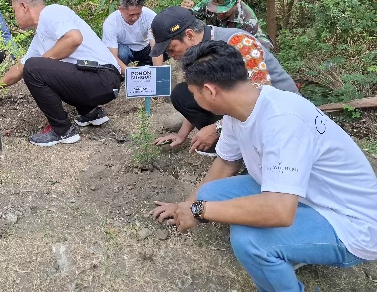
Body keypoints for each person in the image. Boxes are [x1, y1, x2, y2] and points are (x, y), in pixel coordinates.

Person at [151, 40, 377, 291]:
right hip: (304, 197)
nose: (192, 97)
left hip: (351, 223)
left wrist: (198, 211)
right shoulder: (241, 109)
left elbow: (279, 211)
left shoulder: (283, 121)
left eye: (193, 92)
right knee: (210, 193)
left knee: (251, 241)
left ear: (210, 91)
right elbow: (225, 163)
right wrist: (187, 204)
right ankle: (291, 246)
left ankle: (283, 258)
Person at [0, 0, 122, 146]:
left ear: (24, 6)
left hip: (103, 78)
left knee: (35, 67)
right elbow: (20, 68)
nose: (14, 16)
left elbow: (74, 38)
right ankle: (91, 113)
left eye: (14, 10)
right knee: (37, 66)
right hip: (100, 83)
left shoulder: (51, 12)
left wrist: (44, 61)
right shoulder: (40, 36)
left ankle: (62, 131)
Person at [151, 7, 297, 156]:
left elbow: (259, 98)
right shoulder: (194, 54)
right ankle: (227, 144)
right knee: (183, 93)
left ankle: (245, 148)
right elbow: (199, 94)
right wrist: (181, 135)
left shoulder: (238, 42)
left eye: (172, 48)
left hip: (278, 111)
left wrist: (217, 128)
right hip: (241, 106)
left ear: (189, 35)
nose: (170, 55)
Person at [181, 0, 273, 49]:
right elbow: (191, 19)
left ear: (235, 4)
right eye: (215, 9)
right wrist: (185, 11)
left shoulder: (247, 19)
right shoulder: (209, 1)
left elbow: (258, 49)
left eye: (224, 11)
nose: (219, 13)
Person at [102, 0, 163, 74]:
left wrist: (158, 73)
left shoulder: (150, 16)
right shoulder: (111, 23)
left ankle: (144, 66)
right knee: (122, 54)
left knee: (165, 46)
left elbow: (156, 48)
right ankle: (120, 74)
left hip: (145, 48)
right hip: (125, 49)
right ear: (120, 9)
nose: (135, 18)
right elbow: (112, 56)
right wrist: (131, 76)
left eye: (138, 14)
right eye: (131, 15)